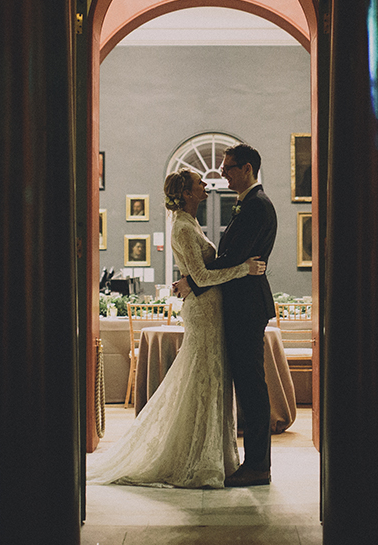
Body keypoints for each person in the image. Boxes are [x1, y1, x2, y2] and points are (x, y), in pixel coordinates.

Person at [86, 169, 265, 488]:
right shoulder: (182, 226)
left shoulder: (190, 221)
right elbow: (205, 276)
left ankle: (213, 453)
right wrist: (244, 269)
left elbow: (198, 273)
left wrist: (190, 281)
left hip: (211, 307)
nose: (205, 184)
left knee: (211, 379)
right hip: (203, 311)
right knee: (203, 378)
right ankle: (196, 456)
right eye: (199, 182)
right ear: (186, 193)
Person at [185, 143, 277, 487]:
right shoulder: (249, 205)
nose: (221, 174)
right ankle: (254, 462)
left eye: (228, 168)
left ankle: (258, 465)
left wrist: (191, 281)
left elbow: (233, 257)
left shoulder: (256, 207)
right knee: (247, 383)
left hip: (248, 306)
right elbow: (235, 258)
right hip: (241, 303)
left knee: (252, 386)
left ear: (248, 169)